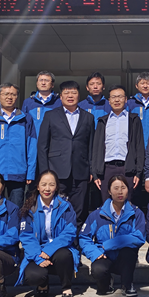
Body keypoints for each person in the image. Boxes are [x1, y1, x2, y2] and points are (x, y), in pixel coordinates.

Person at [16, 171, 80, 297]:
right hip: (38, 251)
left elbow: (70, 232)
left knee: (65, 255)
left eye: (51, 184)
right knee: (33, 276)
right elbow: (26, 236)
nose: (47, 188)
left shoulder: (65, 206)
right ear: (38, 186)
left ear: (56, 187)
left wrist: (49, 249)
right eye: (43, 184)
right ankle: (43, 284)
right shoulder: (29, 208)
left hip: (58, 248)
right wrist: (37, 256)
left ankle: (66, 288)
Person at [38, 80, 95, 224]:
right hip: (56, 170)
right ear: (61, 96)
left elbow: (91, 146)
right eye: (66, 93)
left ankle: (76, 237)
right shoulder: (50, 115)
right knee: (56, 208)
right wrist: (45, 172)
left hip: (81, 171)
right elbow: (42, 146)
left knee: (80, 210)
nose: (70, 96)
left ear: (79, 95)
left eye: (74, 92)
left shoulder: (88, 117)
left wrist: (91, 169)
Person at [80, 176, 146, 297]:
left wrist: (108, 245)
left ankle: (127, 285)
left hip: (124, 258)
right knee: (98, 271)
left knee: (129, 253)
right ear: (109, 191)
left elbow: (139, 237)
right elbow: (84, 238)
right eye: (116, 188)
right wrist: (95, 253)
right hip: (104, 256)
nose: (120, 192)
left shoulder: (136, 213)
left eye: (123, 188)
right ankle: (107, 284)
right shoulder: (97, 214)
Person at [0, 83, 37, 209]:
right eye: (6, 94)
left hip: (18, 172)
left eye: (13, 94)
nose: (9, 97)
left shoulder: (26, 119)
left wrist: (30, 173)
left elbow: (32, 147)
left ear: (17, 97)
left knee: (16, 209)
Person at [91, 85, 145, 202]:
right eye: (113, 97)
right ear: (109, 101)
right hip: (106, 169)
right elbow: (96, 148)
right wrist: (95, 173)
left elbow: (139, 147)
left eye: (120, 97)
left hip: (128, 169)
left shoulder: (134, 120)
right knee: (107, 203)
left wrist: (138, 172)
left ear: (125, 99)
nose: (116, 100)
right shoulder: (102, 121)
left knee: (127, 204)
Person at [126, 71, 149, 146]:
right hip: (135, 144)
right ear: (136, 85)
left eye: (148, 83)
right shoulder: (130, 103)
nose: (145, 86)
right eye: (142, 83)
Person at [22, 71, 62, 137]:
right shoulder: (28, 102)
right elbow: (24, 124)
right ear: (37, 84)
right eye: (41, 80)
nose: (43, 83)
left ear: (52, 84)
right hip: (33, 140)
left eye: (46, 80)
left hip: (52, 140)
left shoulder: (59, 102)